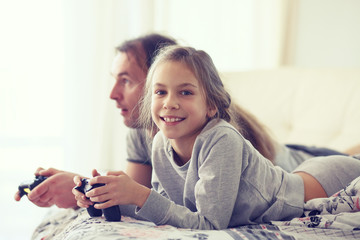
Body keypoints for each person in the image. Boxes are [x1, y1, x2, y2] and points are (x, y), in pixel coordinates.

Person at [14, 33, 359, 209]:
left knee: (348, 158)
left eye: (126, 80)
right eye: (114, 79)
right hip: (307, 170)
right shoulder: (143, 131)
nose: (113, 94)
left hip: (300, 162)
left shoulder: (222, 136)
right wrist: (76, 186)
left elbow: (205, 204)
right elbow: (146, 195)